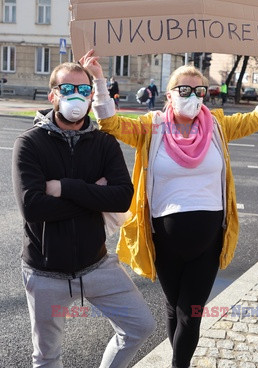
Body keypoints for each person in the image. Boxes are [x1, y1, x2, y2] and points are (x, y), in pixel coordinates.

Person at [81, 50, 258, 368]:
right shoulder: (151, 127)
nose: (193, 97)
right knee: (173, 308)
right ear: (169, 94)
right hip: (164, 240)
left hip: (208, 241)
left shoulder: (218, 126)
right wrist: (99, 78)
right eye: (184, 90)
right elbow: (110, 122)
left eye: (200, 91)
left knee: (191, 313)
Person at [12, 61, 155, 368]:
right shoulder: (29, 143)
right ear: (53, 96)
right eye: (67, 89)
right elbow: (33, 207)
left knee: (141, 325)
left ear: (92, 96)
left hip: (97, 264)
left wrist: (66, 187)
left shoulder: (103, 142)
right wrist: (94, 193)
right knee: (46, 356)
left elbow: (122, 197)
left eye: (83, 90)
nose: (75, 96)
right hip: (44, 271)